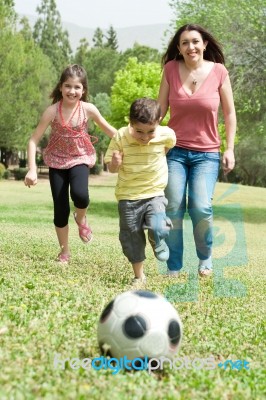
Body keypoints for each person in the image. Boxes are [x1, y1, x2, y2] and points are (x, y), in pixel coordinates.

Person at [158, 24, 236, 277]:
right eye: (184, 43)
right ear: (179, 49)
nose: (190, 47)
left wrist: (230, 148)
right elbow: (159, 111)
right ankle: (174, 266)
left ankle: (205, 258)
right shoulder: (170, 69)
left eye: (194, 42)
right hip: (175, 152)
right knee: (173, 208)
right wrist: (143, 137)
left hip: (208, 154)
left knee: (201, 207)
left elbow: (229, 113)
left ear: (204, 45)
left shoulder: (219, 72)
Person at [24, 64, 117, 263]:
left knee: (80, 195)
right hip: (56, 160)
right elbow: (33, 140)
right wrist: (32, 169)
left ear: (83, 90)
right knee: (60, 208)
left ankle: (81, 218)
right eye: (68, 86)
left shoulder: (88, 109)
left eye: (77, 87)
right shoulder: (52, 111)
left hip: (80, 157)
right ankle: (64, 252)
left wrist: (130, 143)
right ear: (60, 87)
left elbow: (112, 132)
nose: (72, 91)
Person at [104, 98, 176, 287]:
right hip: (128, 196)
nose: (145, 137)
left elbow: (167, 147)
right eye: (139, 132)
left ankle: (156, 236)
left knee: (158, 225)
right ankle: (139, 276)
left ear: (158, 121)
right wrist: (115, 164)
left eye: (150, 131)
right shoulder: (120, 137)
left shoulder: (166, 134)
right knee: (131, 236)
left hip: (154, 193)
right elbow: (110, 167)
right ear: (130, 122)